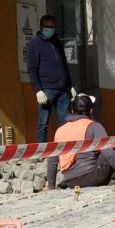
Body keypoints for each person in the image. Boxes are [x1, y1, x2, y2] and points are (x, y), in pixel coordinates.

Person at [45, 94, 115, 190]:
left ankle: (111, 179)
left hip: (71, 182)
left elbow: (53, 161)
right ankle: (114, 179)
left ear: (72, 111)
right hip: (93, 177)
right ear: (91, 111)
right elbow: (109, 154)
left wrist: (50, 186)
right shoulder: (94, 126)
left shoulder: (60, 130)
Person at [27, 15, 75, 143]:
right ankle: (43, 152)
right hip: (47, 89)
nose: (50, 29)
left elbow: (64, 65)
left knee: (65, 123)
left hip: (63, 90)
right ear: (41, 27)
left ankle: (65, 149)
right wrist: (38, 90)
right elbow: (32, 69)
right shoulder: (35, 44)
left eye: (52, 27)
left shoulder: (57, 42)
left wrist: (70, 85)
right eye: (47, 27)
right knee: (43, 123)